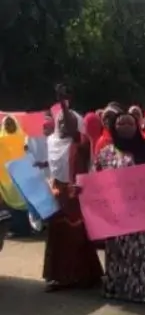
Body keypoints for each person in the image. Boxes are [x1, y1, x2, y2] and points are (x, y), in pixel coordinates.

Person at [93, 109, 145, 303]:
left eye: (130, 123)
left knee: (144, 252)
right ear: (113, 127)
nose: (125, 127)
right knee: (119, 252)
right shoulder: (105, 153)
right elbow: (96, 178)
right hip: (118, 214)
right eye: (121, 124)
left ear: (137, 126)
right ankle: (118, 289)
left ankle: (144, 290)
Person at [44, 103, 103, 291]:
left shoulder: (81, 143)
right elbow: (52, 168)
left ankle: (84, 276)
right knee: (57, 236)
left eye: (68, 122)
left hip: (76, 194)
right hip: (57, 194)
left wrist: (63, 103)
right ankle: (59, 277)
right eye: (60, 121)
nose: (63, 125)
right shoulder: (51, 141)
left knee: (77, 235)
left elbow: (88, 166)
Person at [0, 115, 30, 236]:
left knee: (20, 203)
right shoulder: (2, 140)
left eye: (11, 123)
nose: (9, 126)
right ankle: (17, 228)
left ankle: (23, 229)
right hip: (7, 178)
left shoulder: (24, 138)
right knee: (13, 204)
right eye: (7, 124)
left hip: (19, 176)